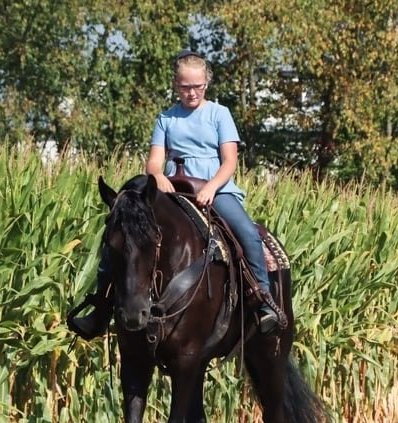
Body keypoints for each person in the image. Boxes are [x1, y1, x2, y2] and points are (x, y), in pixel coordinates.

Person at [67, 50, 280, 338]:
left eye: (197, 86)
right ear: (175, 85)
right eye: (184, 87)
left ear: (206, 84)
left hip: (213, 189)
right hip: (173, 187)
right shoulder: (167, 118)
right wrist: (156, 176)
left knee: (247, 232)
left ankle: (263, 300)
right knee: (122, 235)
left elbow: (229, 160)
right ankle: (101, 310)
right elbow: (155, 160)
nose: (191, 93)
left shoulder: (219, 114)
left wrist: (212, 186)